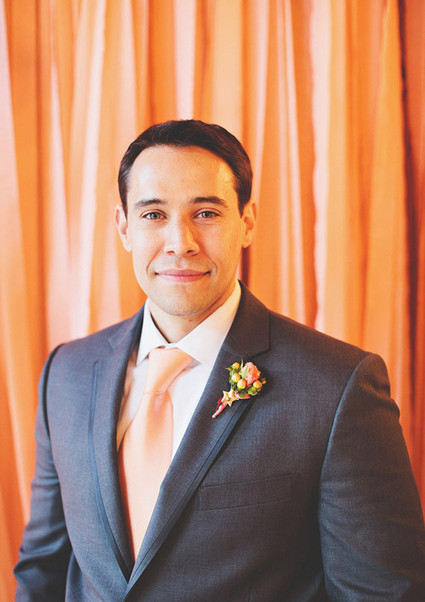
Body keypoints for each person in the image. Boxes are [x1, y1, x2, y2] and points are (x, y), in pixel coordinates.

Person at [15, 119, 425, 601]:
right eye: (153, 214)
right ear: (124, 227)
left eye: (206, 213)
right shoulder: (66, 374)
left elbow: (383, 592)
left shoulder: (337, 387)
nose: (180, 242)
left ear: (246, 222)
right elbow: (43, 571)